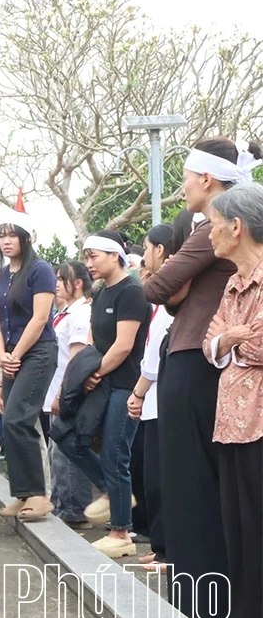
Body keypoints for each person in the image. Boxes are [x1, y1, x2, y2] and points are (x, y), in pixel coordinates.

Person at [144, 137, 257, 618]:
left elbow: (155, 286)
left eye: (187, 177)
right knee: (206, 487)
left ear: (207, 180)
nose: (183, 186)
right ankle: (216, 604)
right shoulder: (213, 231)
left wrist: (174, 288)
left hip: (199, 367)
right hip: (202, 357)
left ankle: (208, 604)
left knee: (195, 486)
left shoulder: (213, 225)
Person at [56, 231, 150, 558]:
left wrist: (95, 373)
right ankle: (112, 491)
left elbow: (123, 346)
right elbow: (94, 341)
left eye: (94, 255)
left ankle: (121, 532)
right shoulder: (99, 293)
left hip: (125, 385)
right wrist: (86, 375)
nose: (89, 263)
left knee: (114, 454)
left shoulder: (132, 292)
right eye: (86, 256)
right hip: (100, 383)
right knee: (67, 436)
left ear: (114, 255)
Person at [199, 183, 263, 618]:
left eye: (215, 225)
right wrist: (228, 339)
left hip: (260, 419)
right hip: (231, 420)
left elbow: (259, 346)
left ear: (237, 227)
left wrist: (232, 340)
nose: (210, 234)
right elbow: (210, 346)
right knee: (239, 524)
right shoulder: (232, 283)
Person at [0, 217, 57, 521]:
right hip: (10, 354)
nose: (6, 241)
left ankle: (39, 496)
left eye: (12, 235)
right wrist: (3, 355)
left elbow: (40, 318)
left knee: (19, 417)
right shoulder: (0, 276)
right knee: (9, 421)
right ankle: (22, 494)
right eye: (1, 236)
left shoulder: (40, 270)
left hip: (38, 351)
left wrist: (15, 354)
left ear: (26, 238)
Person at [126, 223, 175, 572]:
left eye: (146, 248)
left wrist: (138, 391)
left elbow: (156, 354)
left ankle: (169, 550)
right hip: (153, 400)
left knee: (162, 480)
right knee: (152, 479)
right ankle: (160, 547)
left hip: (160, 398)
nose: (144, 256)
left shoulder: (171, 295)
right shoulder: (160, 296)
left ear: (160, 250)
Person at [44, 261, 95, 530]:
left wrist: (62, 393)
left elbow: (76, 358)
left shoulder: (81, 313)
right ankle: (60, 504)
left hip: (68, 394)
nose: (56, 284)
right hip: (56, 391)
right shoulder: (64, 312)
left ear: (77, 284)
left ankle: (74, 510)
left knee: (68, 453)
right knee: (57, 453)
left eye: (61, 279)